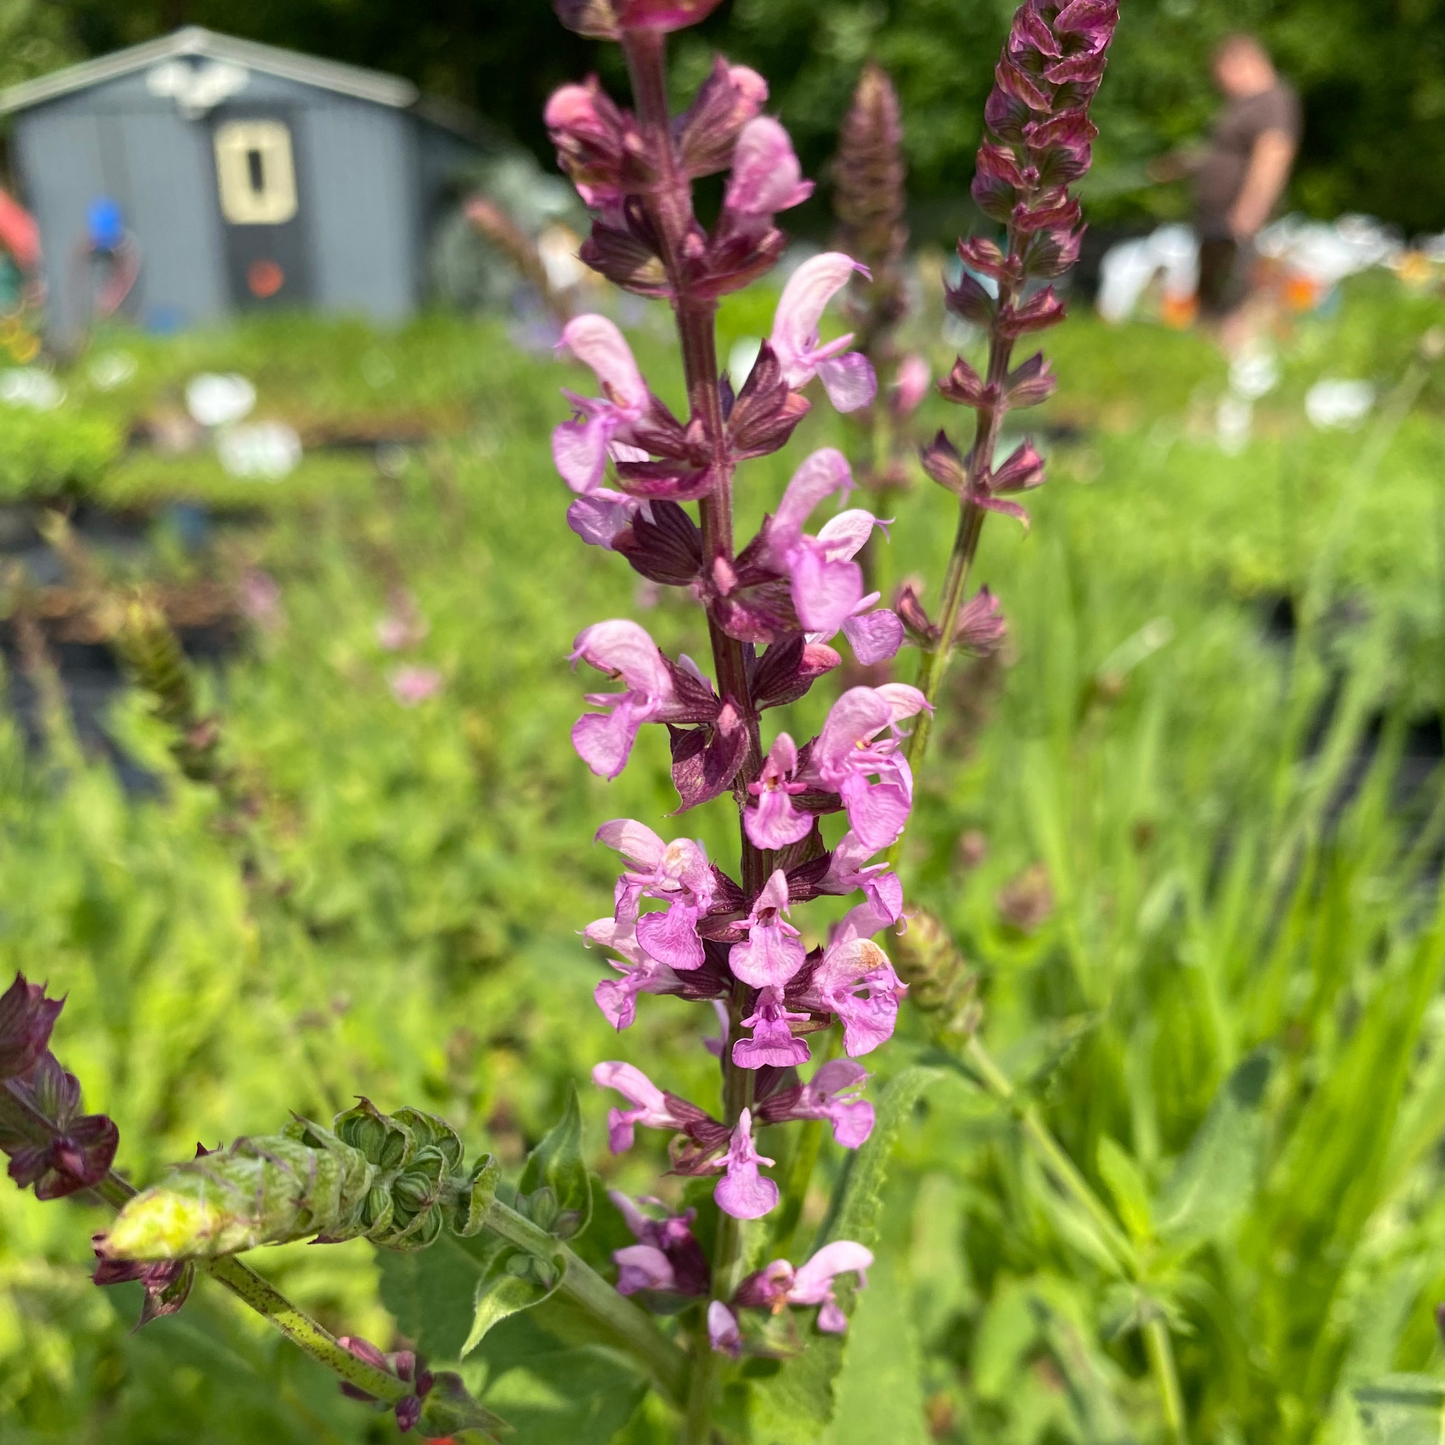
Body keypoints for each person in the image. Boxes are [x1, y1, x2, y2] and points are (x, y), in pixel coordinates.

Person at [1154, 35, 1301, 345]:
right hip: (1215, 218)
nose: (1221, 84)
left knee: (1236, 295)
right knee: (1211, 296)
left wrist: (1252, 208)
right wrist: (1183, 164)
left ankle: (1239, 364)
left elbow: (1273, 153)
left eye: (1221, 75)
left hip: (1239, 219)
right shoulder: (1243, 105)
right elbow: (1224, 153)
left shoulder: (1272, 99)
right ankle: (1208, 363)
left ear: (1241, 63)